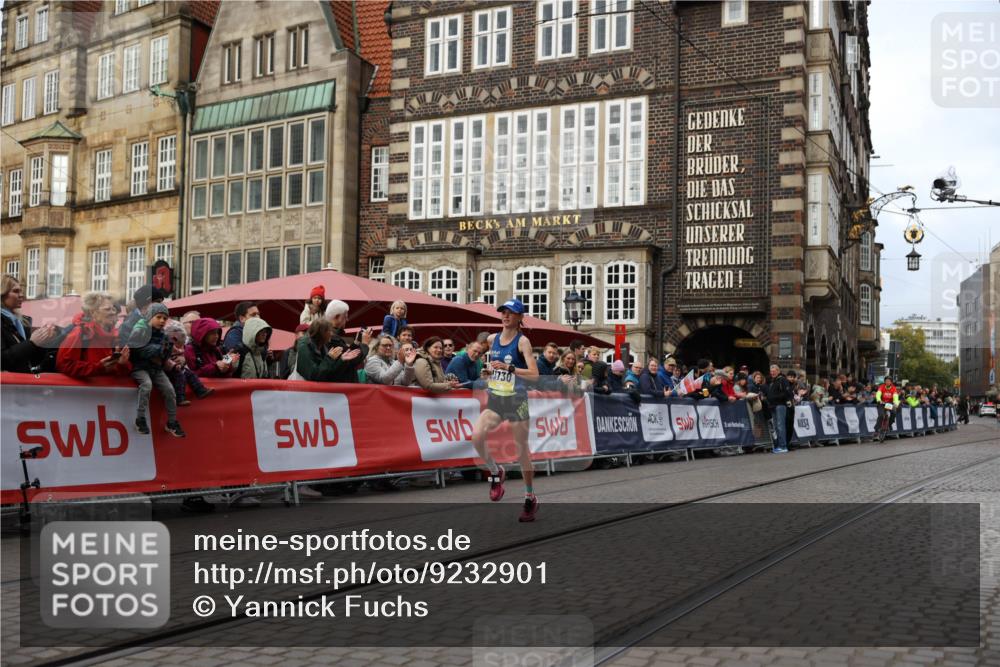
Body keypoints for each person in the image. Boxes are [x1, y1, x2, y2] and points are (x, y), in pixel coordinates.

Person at [469, 299, 541, 522]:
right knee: (477, 437)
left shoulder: (523, 342)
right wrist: (488, 373)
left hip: (516, 401)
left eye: (511, 313)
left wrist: (510, 368)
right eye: (503, 312)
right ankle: (495, 472)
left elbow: (535, 374)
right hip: (497, 399)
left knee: (521, 453)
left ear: (520, 317)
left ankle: (530, 497)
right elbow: (491, 366)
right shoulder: (492, 340)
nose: (506, 316)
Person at [127, 303, 184, 437]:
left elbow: (164, 357)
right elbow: (137, 349)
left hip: (156, 369)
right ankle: (140, 418)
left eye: (165, 318)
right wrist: (159, 350)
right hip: (140, 367)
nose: (162, 321)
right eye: (158, 317)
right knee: (146, 385)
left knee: (170, 390)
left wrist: (168, 349)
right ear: (149, 317)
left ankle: (172, 422)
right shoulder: (140, 331)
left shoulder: (164, 336)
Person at [55, 291, 132, 378]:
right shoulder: (80, 332)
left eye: (113, 309)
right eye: (107, 309)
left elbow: (116, 373)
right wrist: (98, 368)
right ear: (93, 312)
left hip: (105, 390)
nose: (113, 312)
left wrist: (122, 364)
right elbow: (63, 365)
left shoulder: (113, 336)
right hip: (84, 390)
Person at [295, 318, 364, 382]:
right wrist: (329, 358)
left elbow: (330, 375)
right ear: (322, 333)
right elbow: (314, 376)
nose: (331, 334)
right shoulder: (305, 347)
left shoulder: (322, 346)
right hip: (303, 391)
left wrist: (342, 360)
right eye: (329, 331)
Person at [162, 319, 212, 405]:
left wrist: (183, 359)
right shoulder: (165, 345)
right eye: (191, 321)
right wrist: (174, 365)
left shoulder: (179, 345)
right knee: (180, 376)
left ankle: (200, 390)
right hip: (169, 369)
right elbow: (164, 359)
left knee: (190, 374)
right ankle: (180, 398)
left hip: (174, 366)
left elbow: (181, 354)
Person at [324, 299, 372, 383]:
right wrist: (365, 344)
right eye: (345, 316)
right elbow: (352, 359)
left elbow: (347, 352)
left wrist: (356, 343)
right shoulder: (331, 337)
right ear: (336, 317)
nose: (347, 319)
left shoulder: (331, 334)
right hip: (341, 387)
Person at [765, 364, 792, 453]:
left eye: (774, 371)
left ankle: (783, 446)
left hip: (780, 405)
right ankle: (780, 445)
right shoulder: (772, 381)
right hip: (773, 406)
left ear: (778, 371)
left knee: (780, 426)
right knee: (776, 427)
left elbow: (788, 393)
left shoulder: (782, 380)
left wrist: (775, 397)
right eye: (771, 371)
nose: (772, 373)